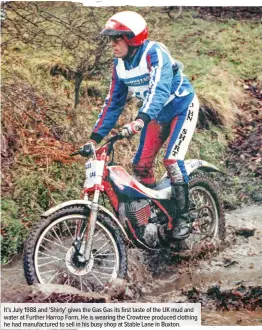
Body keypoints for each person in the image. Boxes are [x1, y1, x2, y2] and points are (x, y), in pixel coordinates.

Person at [84, 11, 199, 240]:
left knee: (172, 161)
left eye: (117, 39)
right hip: (153, 117)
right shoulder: (119, 65)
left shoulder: (155, 53)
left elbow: (159, 89)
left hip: (181, 107)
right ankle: (152, 220)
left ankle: (185, 215)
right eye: (111, 40)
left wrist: (140, 120)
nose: (113, 44)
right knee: (141, 165)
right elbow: (113, 103)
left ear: (132, 38)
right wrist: (94, 138)